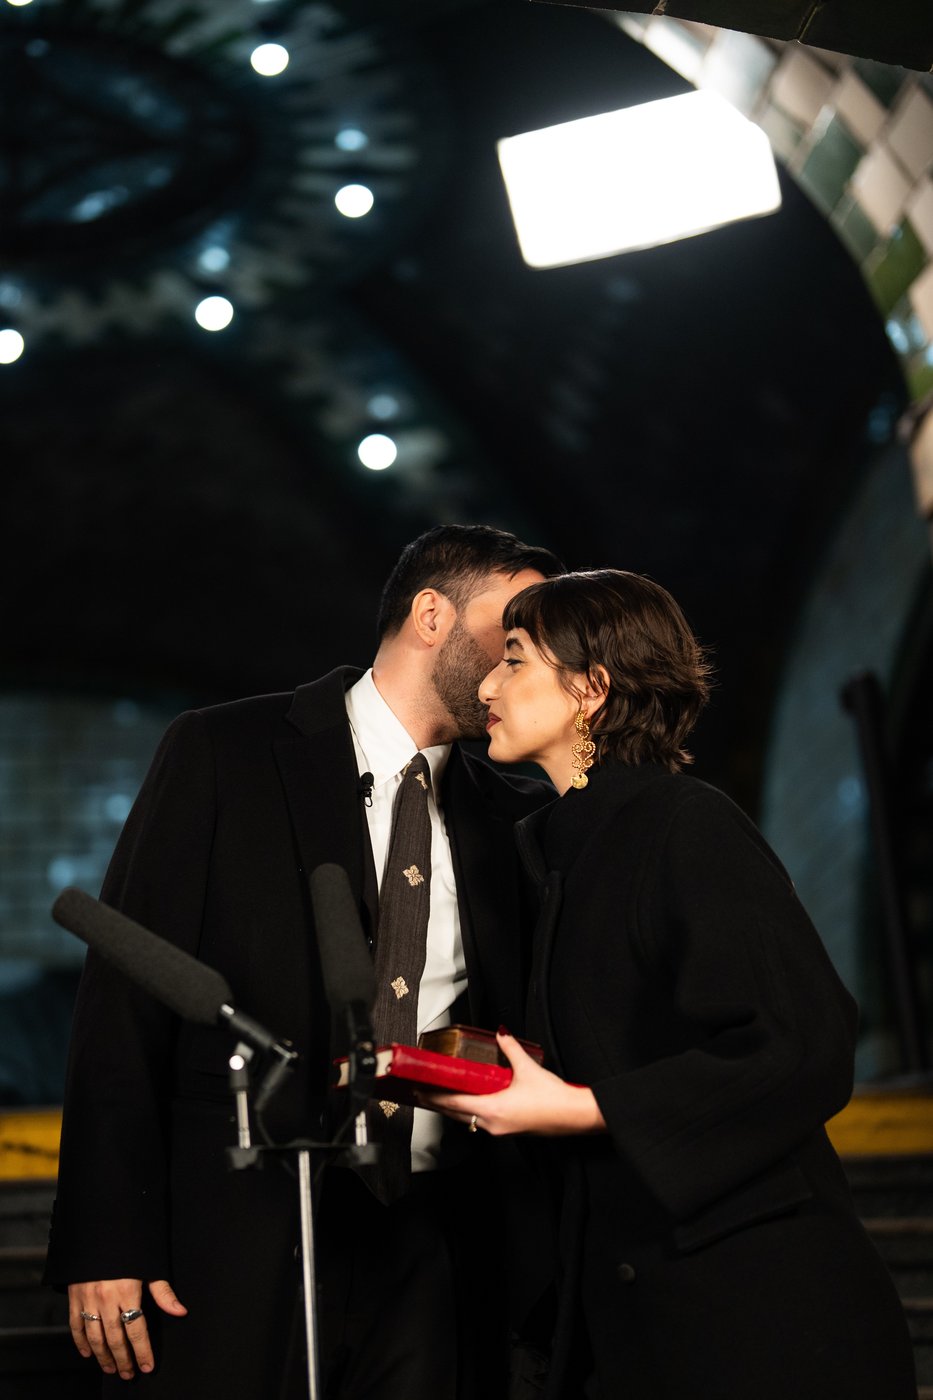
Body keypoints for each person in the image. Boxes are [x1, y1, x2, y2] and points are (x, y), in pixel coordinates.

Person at [44, 524, 564, 1399]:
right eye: (511, 625)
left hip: (436, 1244)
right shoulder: (222, 752)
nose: (526, 652)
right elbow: (124, 1000)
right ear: (429, 615)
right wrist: (108, 1240)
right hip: (237, 1234)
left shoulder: (517, 816)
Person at [428, 569, 917, 1400]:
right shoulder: (562, 848)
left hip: (756, 1322)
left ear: (590, 689)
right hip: (641, 1316)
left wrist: (581, 1107)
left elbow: (804, 1042)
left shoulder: (684, 824)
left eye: (513, 659)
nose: (486, 685)